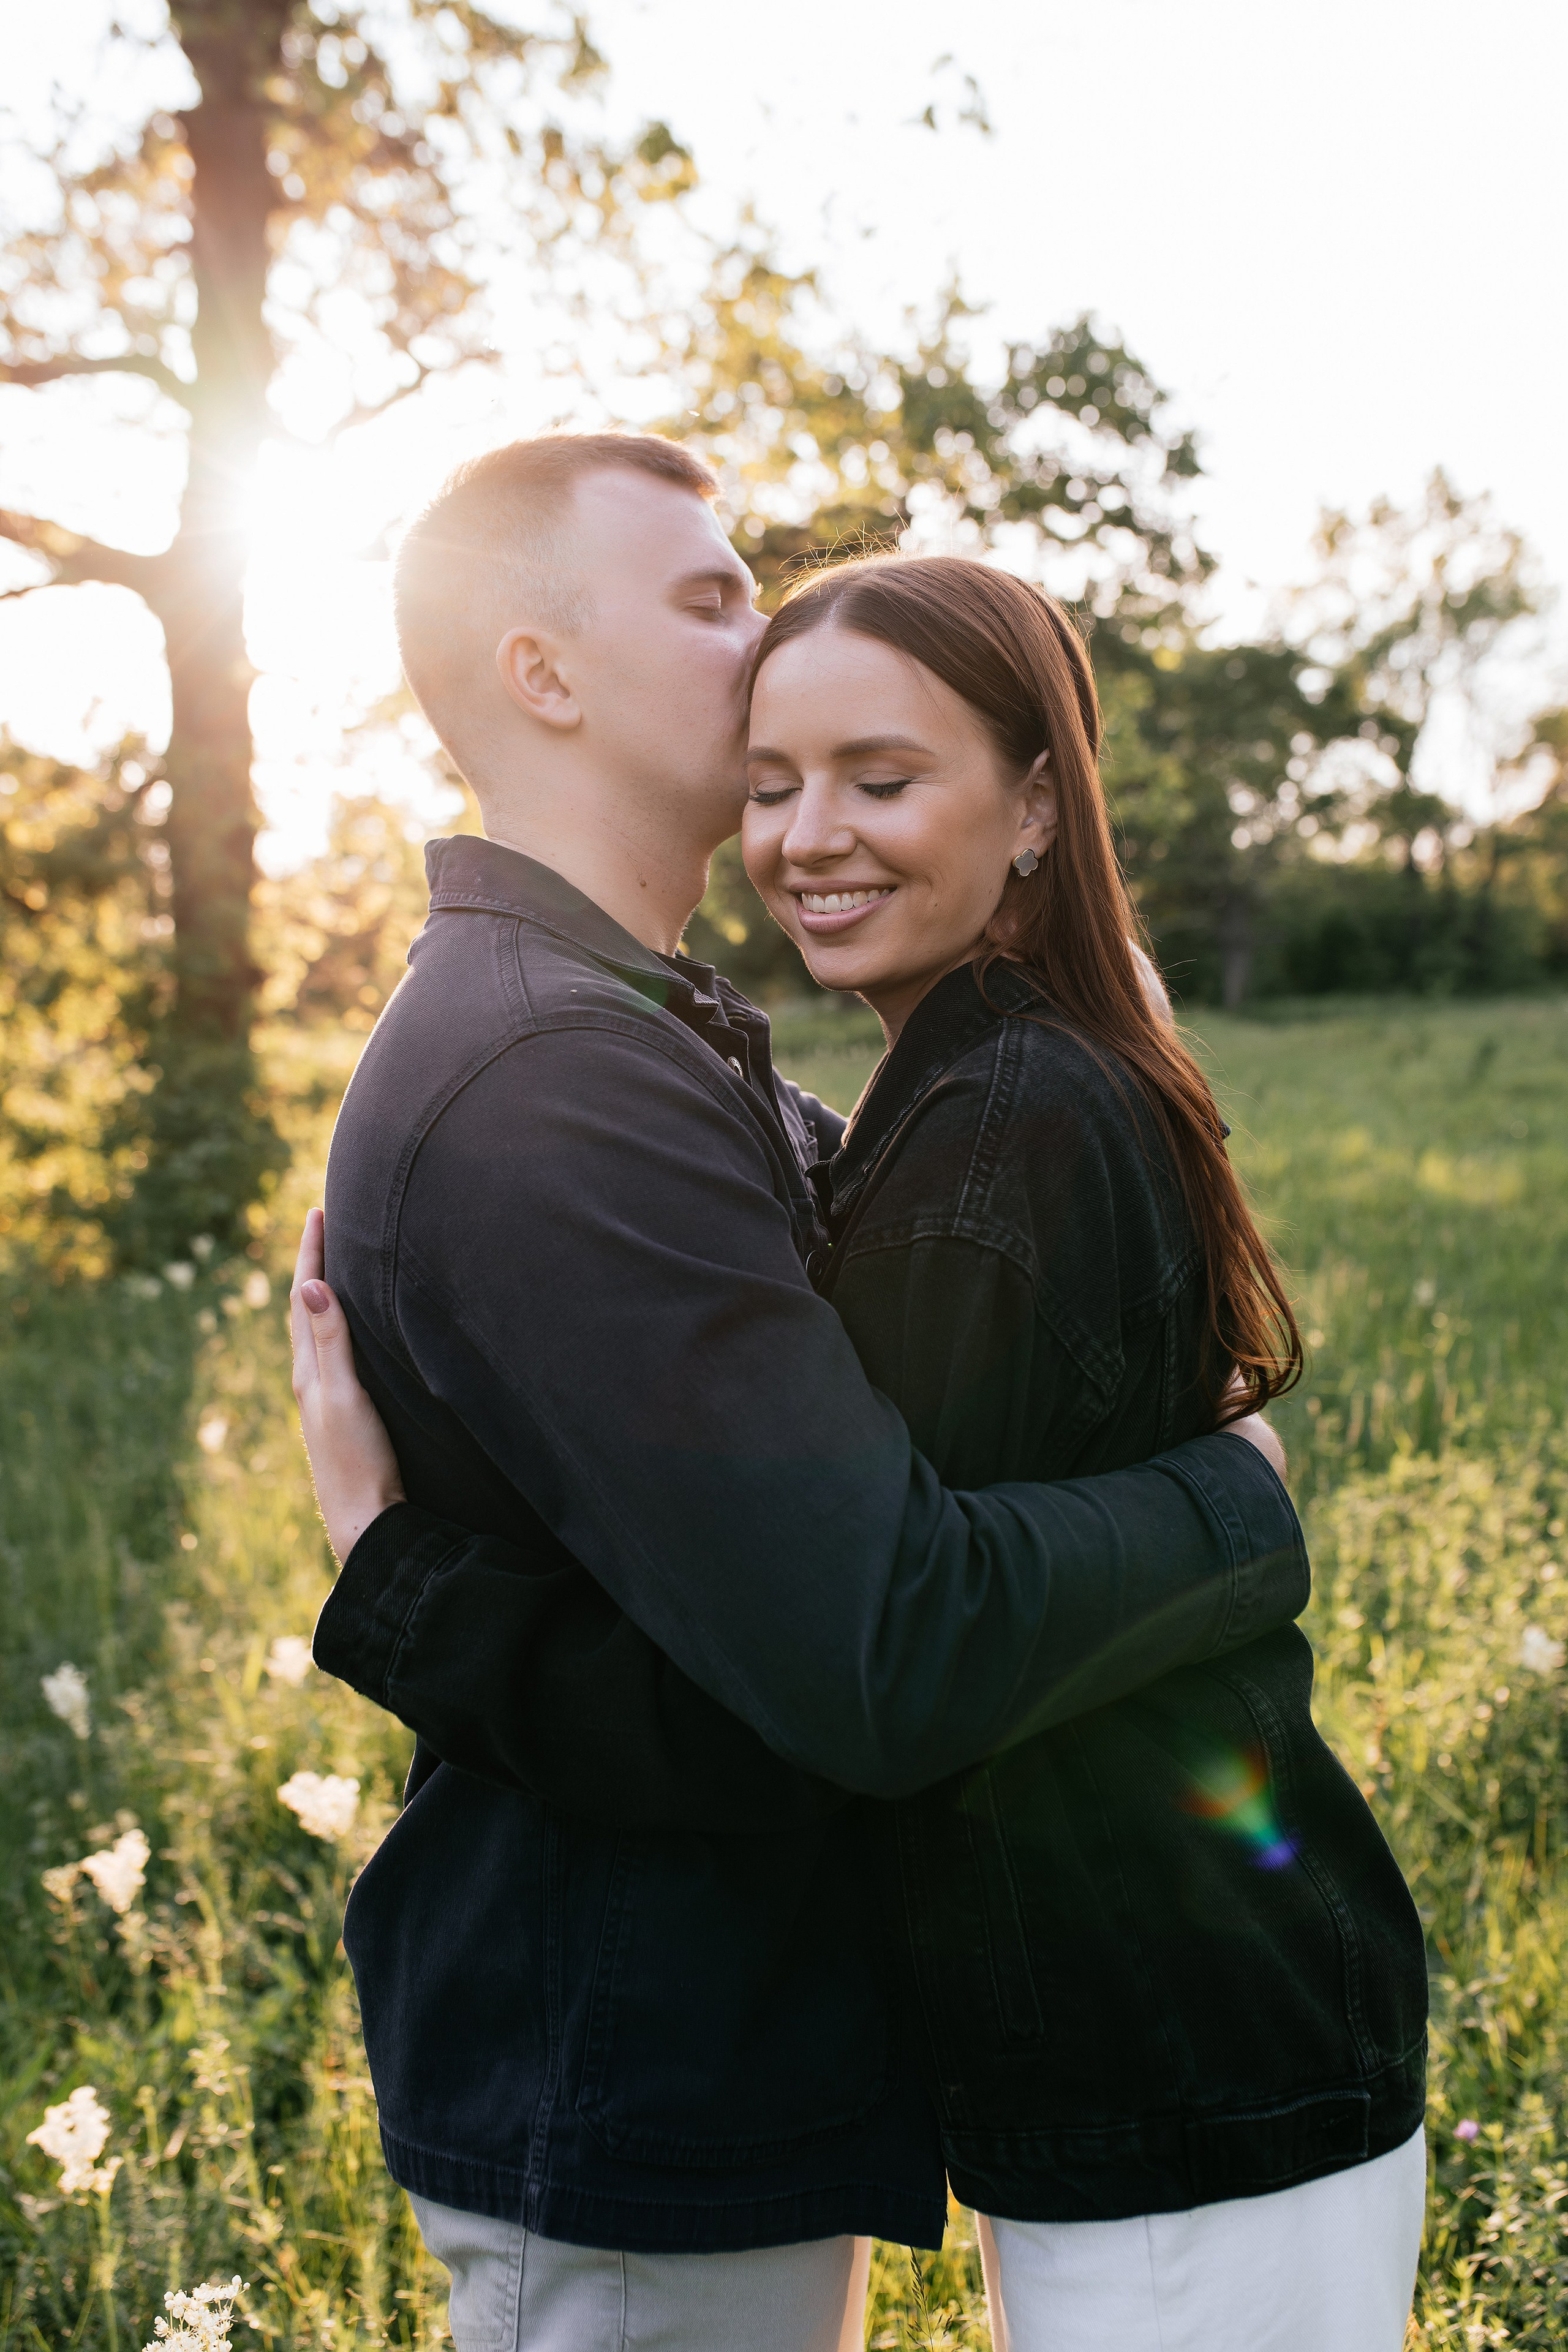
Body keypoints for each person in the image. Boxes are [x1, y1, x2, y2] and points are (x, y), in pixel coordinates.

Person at [290, 434, 1321, 2352]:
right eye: (707, 595)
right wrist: (1236, 1508)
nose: (761, 629)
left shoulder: (667, 1037)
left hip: (709, 2058)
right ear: (544, 675)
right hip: (622, 2084)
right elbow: (880, 1649)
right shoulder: (552, 1080)